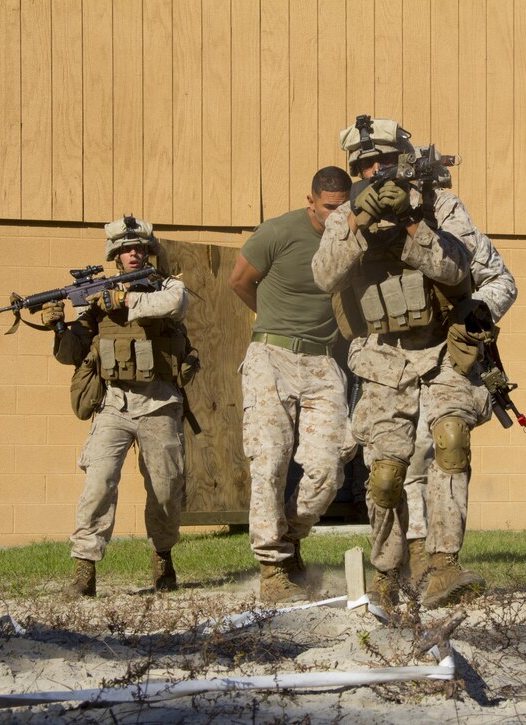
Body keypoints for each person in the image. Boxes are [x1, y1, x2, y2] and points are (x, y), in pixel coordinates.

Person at [312, 116, 487, 611]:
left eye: (382, 160)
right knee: (386, 476)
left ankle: (444, 566)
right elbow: (325, 277)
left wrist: (413, 220)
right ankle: (388, 571)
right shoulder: (342, 217)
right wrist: (356, 223)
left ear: (402, 161)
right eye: (363, 164)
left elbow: (456, 269)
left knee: (451, 439)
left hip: (440, 353)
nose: (373, 170)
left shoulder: (441, 206)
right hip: (382, 358)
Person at [42, 216, 193, 598]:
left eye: (139, 247)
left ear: (149, 252)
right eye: (126, 249)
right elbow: (72, 353)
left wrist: (126, 299)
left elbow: (176, 302)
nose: (134, 253)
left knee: (165, 489)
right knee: (98, 482)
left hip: (159, 403)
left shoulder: (166, 286)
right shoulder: (97, 302)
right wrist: (60, 325)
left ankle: (163, 557)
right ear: (115, 255)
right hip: (115, 404)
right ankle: (84, 570)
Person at [229, 167, 355, 604]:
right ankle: (272, 567)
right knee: (270, 457)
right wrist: (272, 322)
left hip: (322, 360)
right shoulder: (278, 232)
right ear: (312, 201)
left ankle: (290, 537)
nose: (337, 216)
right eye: (329, 209)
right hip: (273, 355)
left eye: (345, 208)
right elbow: (239, 281)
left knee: (331, 462)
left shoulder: (355, 236)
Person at [403, 218, 517, 608]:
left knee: (448, 443)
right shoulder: (360, 223)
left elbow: (504, 282)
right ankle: (412, 558)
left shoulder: (451, 221)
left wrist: (471, 316)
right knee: (402, 463)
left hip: (449, 361)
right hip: (392, 361)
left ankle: (443, 563)